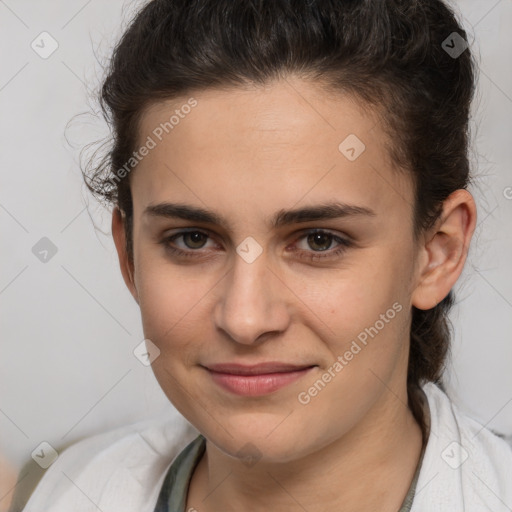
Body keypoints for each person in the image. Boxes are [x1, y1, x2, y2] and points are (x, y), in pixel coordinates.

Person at [20, 0, 512, 511]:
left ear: (436, 253)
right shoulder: (68, 492)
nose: (246, 319)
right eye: (192, 239)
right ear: (129, 256)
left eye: (319, 240)